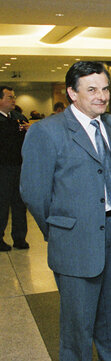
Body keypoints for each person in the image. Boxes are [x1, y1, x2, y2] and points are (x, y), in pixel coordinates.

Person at [20, 62, 111, 361]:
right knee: (78, 320)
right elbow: (34, 193)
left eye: (104, 88)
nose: (101, 96)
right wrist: (60, 229)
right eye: (92, 89)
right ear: (72, 93)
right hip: (75, 238)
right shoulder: (47, 131)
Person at [0, 85, 28, 251]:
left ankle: (19, 237)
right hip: (3, 168)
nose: (13, 100)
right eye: (9, 97)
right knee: (2, 204)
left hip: (19, 167)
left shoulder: (19, 117)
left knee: (19, 203)